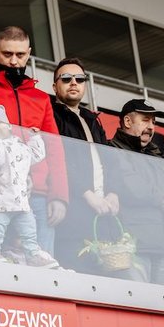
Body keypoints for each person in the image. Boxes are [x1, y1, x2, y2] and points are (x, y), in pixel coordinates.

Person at [0, 26, 68, 255]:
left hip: (38, 194)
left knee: (43, 264)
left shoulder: (40, 98)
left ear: (29, 53)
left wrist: (59, 196)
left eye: (20, 54)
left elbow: (54, 148)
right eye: (7, 54)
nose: (14, 61)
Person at [50, 57, 118, 271]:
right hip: (73, 215)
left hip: (102, 216)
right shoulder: (51, 115)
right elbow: (57, 160)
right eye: (66, 78)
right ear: (55, 86)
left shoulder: (92, 119)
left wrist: (113, 192)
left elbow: (108, 162)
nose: (74, 83)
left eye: (79, 79)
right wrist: (87, 194)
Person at [107, 98, 164, 286]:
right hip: (133, 246)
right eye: (145, 120)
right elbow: (132, 188)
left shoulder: (160, 154)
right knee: (139, 302)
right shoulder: (110, 148)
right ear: (127, 121)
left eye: (153, 122)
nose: (151, 127)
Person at [0, 103, 62, 268]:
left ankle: (33, 255)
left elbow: (36, 156)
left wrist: (35, 138)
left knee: (29, 229)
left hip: (21, 201)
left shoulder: (19, 145)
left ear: (9, 126)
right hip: (0, 201)